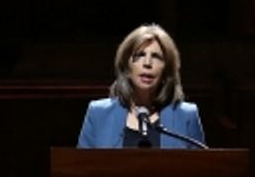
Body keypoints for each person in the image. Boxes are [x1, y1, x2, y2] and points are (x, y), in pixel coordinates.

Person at [77, 23, 206, 149]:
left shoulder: (186, 116)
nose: (147, 63)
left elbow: (201, 168)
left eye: (156, 57)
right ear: (127, 67)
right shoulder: (99, 113)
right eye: (140, 55)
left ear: (166, 70)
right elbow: (82, 167)